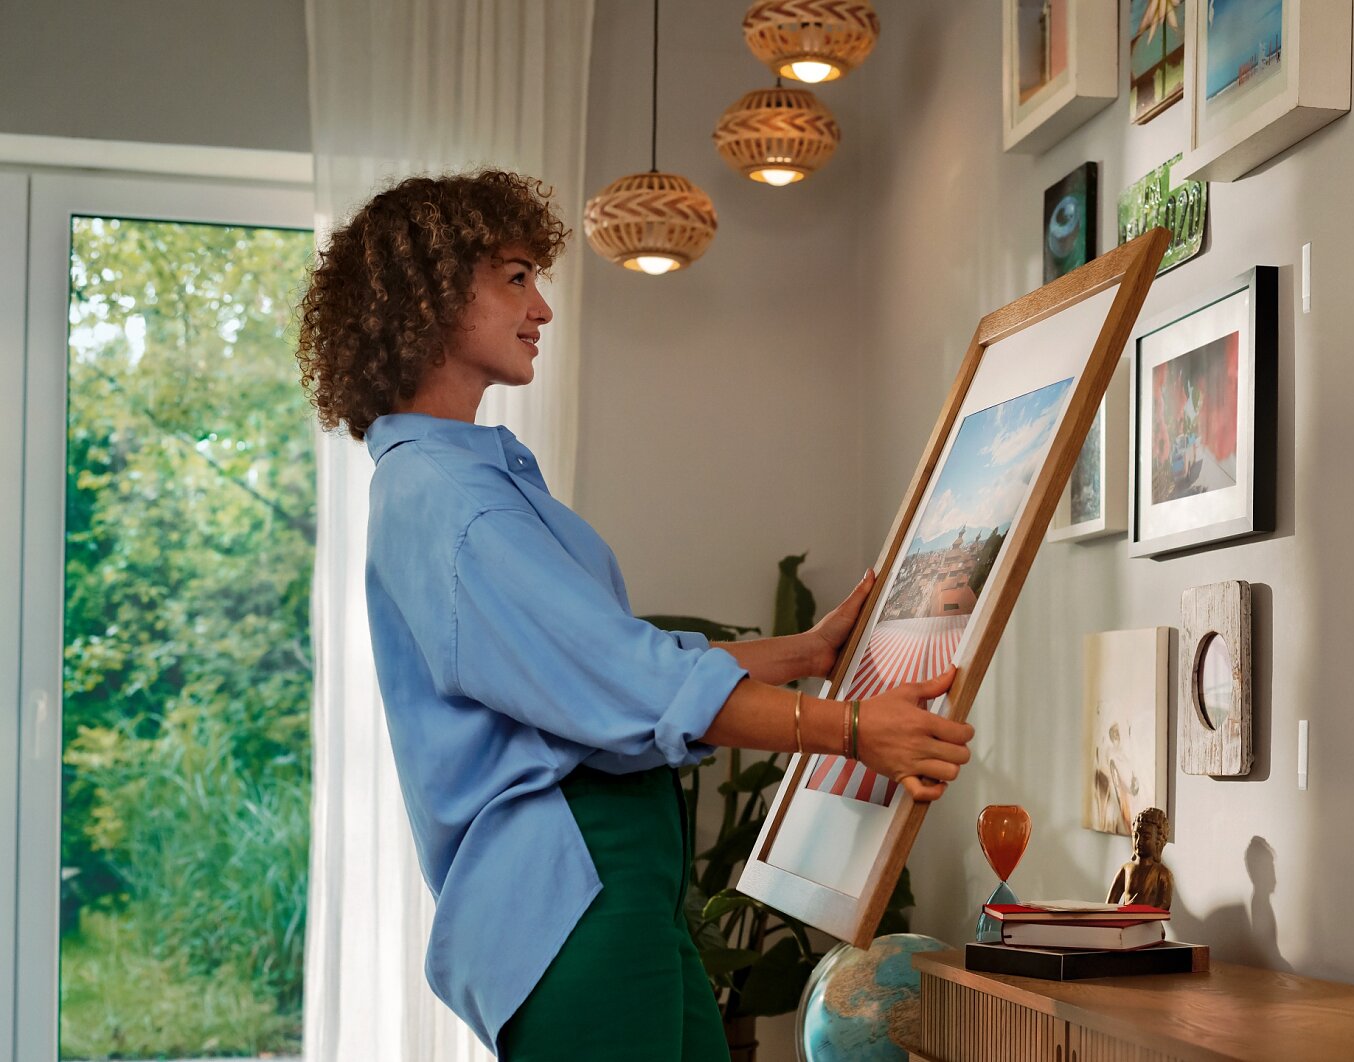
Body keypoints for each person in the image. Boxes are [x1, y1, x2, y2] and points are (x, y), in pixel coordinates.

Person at [295, 170, 974, 1060]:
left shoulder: (466, 479)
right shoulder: (449, 499)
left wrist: (803, 650)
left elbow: (612, 659)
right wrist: (849, 728)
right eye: (515, 278)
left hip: (610, 884)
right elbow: (625, 682)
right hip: (577, 890)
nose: (540, 307)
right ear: (428, 296)